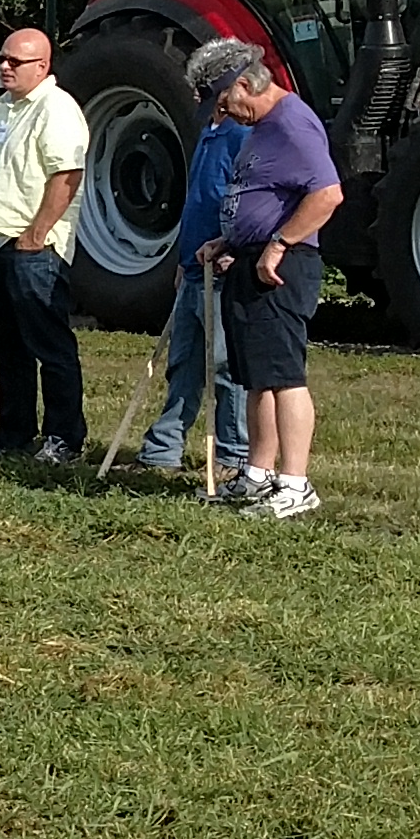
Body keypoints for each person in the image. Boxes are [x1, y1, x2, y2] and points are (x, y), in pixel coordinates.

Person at [200, 39, 340, 520]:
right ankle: (258, 475)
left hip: (281, 265)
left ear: (244, 84)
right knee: (256, 377)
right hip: (248, 259)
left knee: (284, 376)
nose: (225, 114)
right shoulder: (260, 128)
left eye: (225, 103)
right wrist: (228, 240)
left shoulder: (292, 122)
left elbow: (327, 194)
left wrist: (278, 245)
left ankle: (296, 483)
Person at [0, 24, 96, 466]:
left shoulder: (56, 109)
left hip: (34, 250)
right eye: (1, 58)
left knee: (49, 346)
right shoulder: (4, 109)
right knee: (5, 350)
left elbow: (67, 175)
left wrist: (36, 235)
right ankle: (12, 434)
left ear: (43, 65)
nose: (4, 66)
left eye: (15, 61)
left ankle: (64, 439)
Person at [139, 47, 265, 491]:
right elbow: (197, 198)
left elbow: (244, 198)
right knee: (183, 361)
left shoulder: (240, 134)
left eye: (205, 89)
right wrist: (180, 260)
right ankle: (163, 447)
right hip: (192, 267)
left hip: (222, 267)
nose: (198, 96)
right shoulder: (207, 130)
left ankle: (234, 454)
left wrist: (237, 248)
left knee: (225, 366)